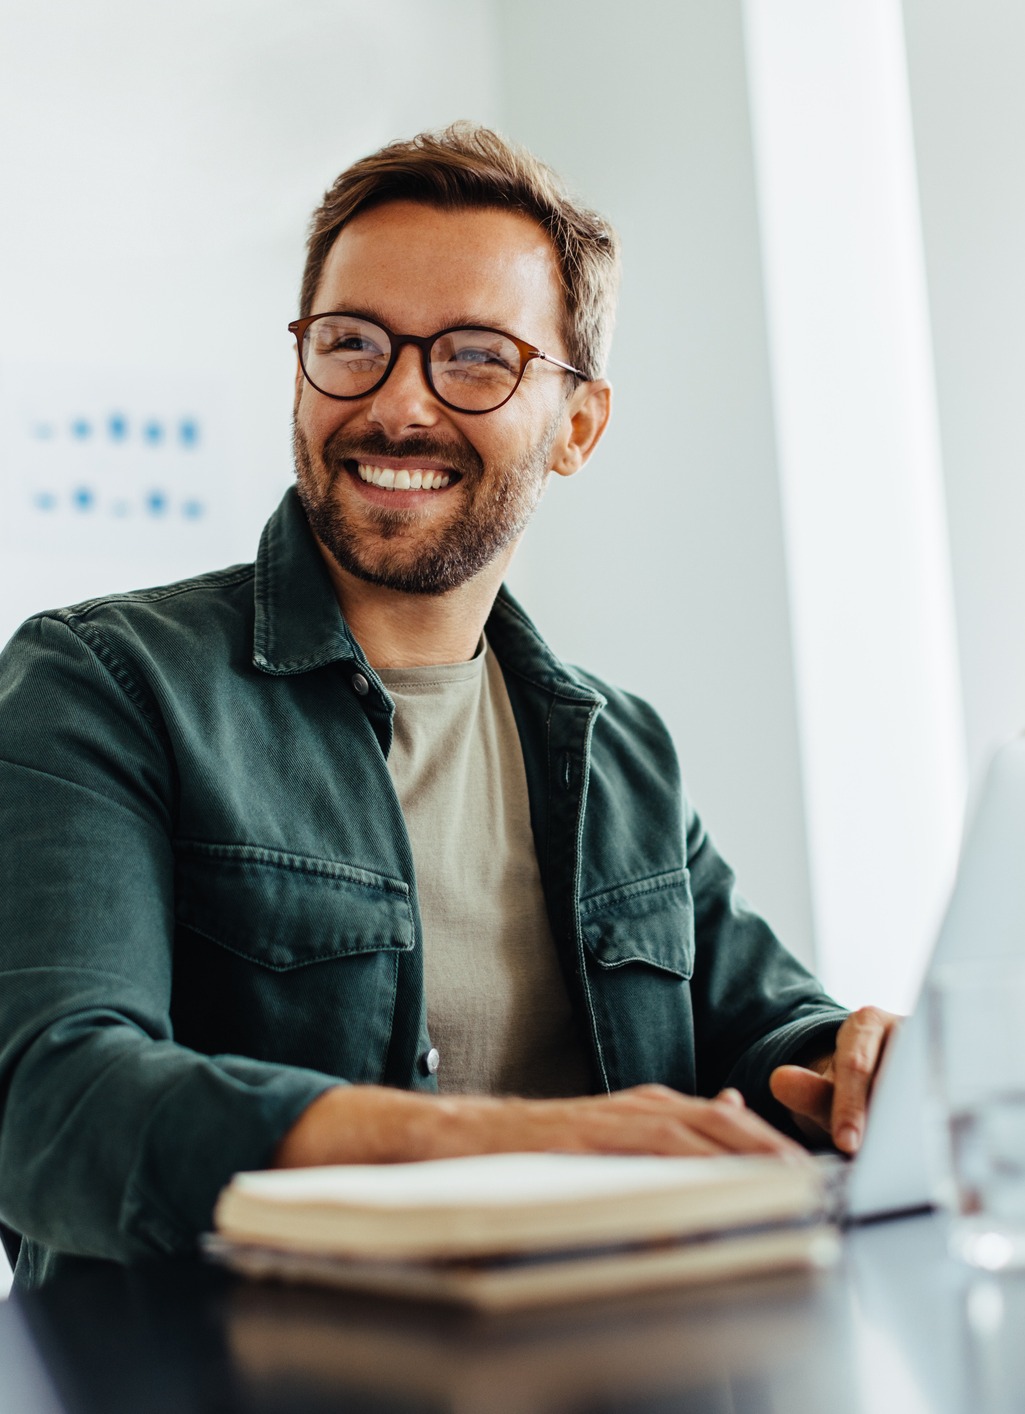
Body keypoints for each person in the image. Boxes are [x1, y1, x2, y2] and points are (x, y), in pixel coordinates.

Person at [0, 124, 896, 1288]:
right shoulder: (102, 684)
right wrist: (500, 1142)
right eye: (352, 343)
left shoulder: (616, 748)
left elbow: (761, 1033)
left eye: (475, 357)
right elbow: (49, 1101)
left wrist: (863, 1062)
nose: (398, 405)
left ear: (576, 425)